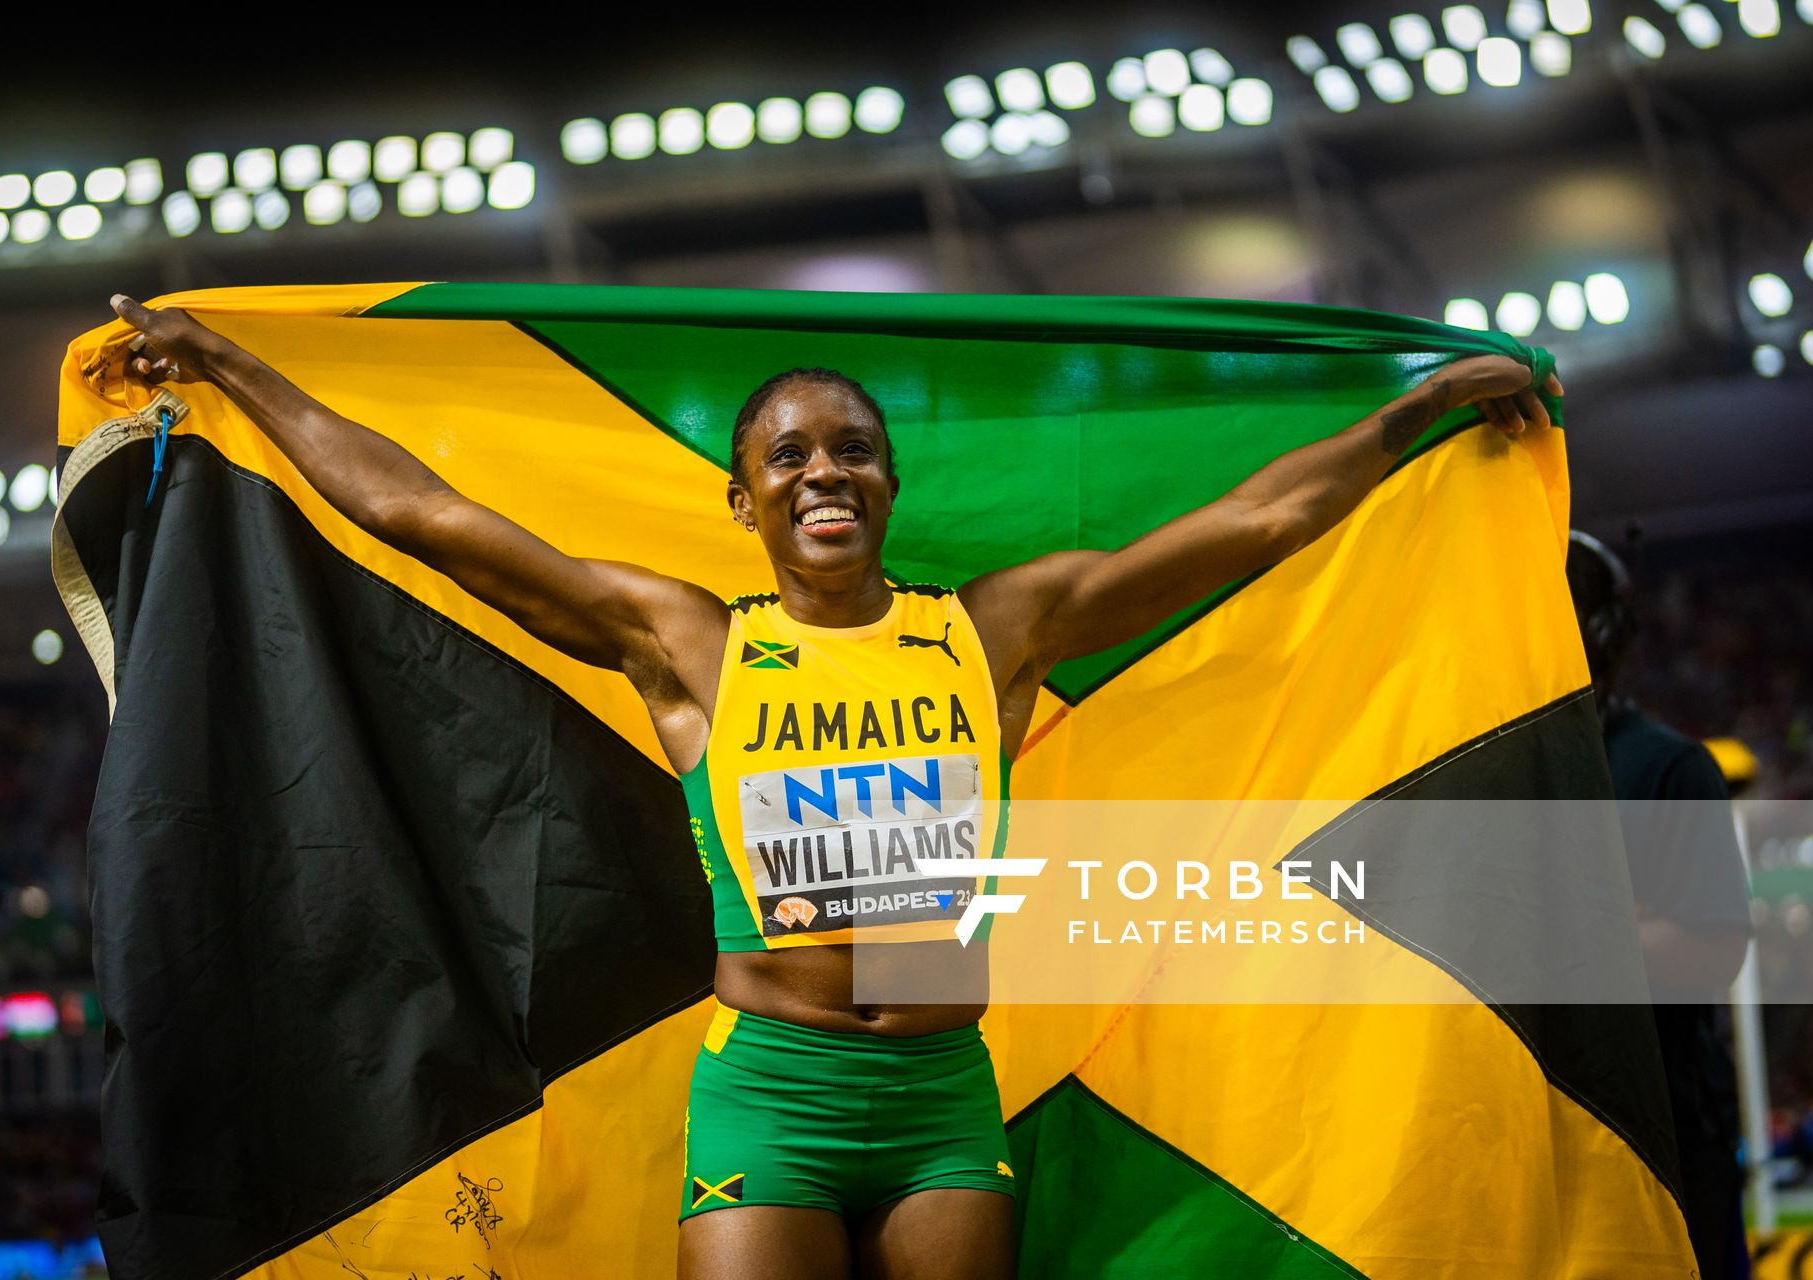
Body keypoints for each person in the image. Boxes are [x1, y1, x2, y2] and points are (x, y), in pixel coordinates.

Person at [106, 292, 1557, 1280]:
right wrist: (233, 370)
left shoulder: (995, 629)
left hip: (939, 1091)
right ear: (743, 499)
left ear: (887, 485)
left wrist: (1410, 418)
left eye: (852, 450)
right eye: (787, 454)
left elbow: (1250, 524)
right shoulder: (688, 646)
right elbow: (421, 513)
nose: (824, 472)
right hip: (775, 1090)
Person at [1567, 530, 1754, 1280]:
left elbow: (1714, 951)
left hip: (1667, 1139)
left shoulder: (1669, 767)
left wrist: (1568, 931)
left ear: (1599, 633)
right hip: (1546, 1141)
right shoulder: (1495, 774)